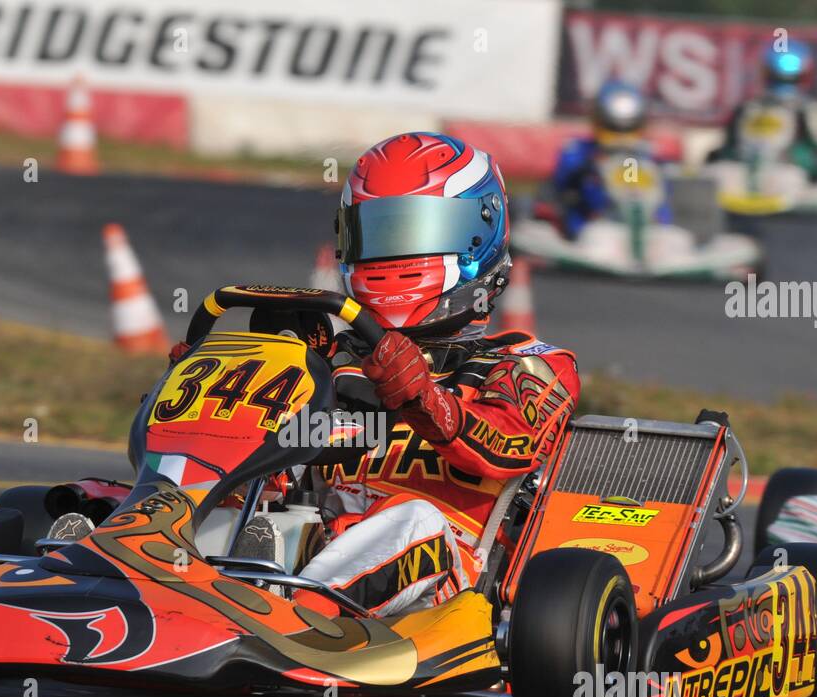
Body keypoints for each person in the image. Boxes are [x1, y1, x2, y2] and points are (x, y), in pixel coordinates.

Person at [239, 132, 581, 616]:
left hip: (452, 578)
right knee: (172, 497)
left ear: (478, 237)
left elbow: (511, 447)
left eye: (416, 232)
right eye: (378, 234)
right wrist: (237, 382)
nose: (393, 255)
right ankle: (128, 570)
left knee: (412, 521)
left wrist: (425, 399)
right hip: (311, 540)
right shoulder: (336, 367)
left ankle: (290, 614)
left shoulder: (529, 363)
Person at [548, 80, 673, 239]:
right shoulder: (579, 151)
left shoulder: (647, 157)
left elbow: (666, 187)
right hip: (594, 227)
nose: (620, 135)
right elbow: (562, 182)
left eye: (626, 128)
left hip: (649, 229)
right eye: (615, 128)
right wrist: (590, 166)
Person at [708, 39, 817, 183]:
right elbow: (727, 148)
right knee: (719, 173)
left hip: (787, 172)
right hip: (744, 170)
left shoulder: (805, 111)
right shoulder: (748, 108)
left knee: (788, 177)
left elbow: (816, 155)